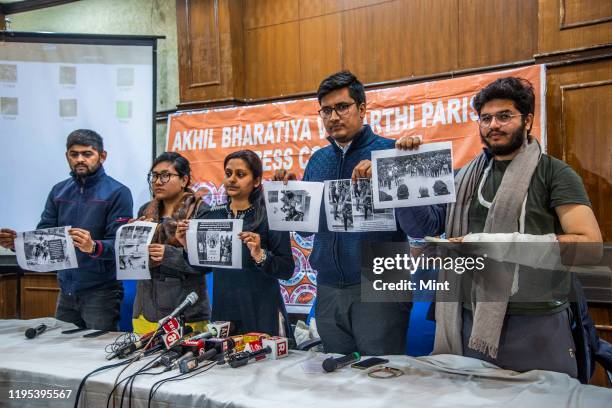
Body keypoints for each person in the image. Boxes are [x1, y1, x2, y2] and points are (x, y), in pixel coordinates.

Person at [397, 77, 603, 377]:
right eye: (486, 118)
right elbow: (425, 225)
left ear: (528, 120)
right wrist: (406, 173)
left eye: (504, 116)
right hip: (467, 320)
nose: (494, 124)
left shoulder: (554, 172)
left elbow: (590, 247)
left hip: (535, 322)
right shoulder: (462, 177)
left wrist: (492, 243)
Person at [274, 71, 445, 355]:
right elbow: (305, 230)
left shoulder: (391, 151)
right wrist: (291, 194)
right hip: (328, 284)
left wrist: (394, 170)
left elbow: (421, 228)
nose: (333, 116)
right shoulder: (317, 160)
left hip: (383, 276)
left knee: (380, 375)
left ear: (362, 108)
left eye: (342, 107)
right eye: (326, 110)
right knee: (339, 379)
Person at [0, 129, 133, 330]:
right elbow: (44, 234)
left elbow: (122, 245)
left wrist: (93, 246)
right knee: (62, 355)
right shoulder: (58, 191)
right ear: (67, 156)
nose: (80, 159)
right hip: (66, 291)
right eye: (74, 154)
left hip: (102, 293)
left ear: (102, 156)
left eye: (87, 154)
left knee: (95, 354)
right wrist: (18, 245)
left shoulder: (118, 192)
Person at [177, 150, 294, 337]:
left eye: (240, 175)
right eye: (228, 173)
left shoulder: (270, 216)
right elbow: (201, 269)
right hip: (225, 314)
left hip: (262, 313)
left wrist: (260, 255)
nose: (231, 179)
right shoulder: (213, 215)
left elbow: (287, 270)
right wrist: (187, 246)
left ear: (256, 181)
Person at [130, 152, 211, 335]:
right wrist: (131, 239)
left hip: (185, 313)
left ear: (184, 180)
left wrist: (169, 255)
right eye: (154, 176)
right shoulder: (146, 210)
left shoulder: (200, 211)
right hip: (145, 311)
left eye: (165, 175)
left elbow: (206, 265)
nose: (158, 182)